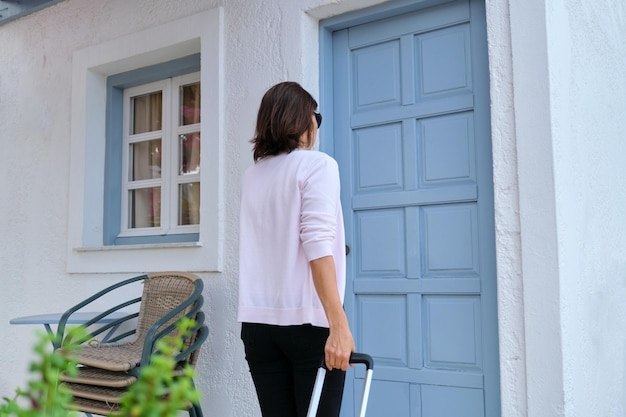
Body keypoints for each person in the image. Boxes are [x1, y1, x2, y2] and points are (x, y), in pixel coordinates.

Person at [238, 81, 355, 417]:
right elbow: (317, 246)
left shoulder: (253, 175)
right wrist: (339, 324)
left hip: (258, 326)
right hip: (307, 323)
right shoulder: (317, 165)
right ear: (304, 120)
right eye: (316, 116)